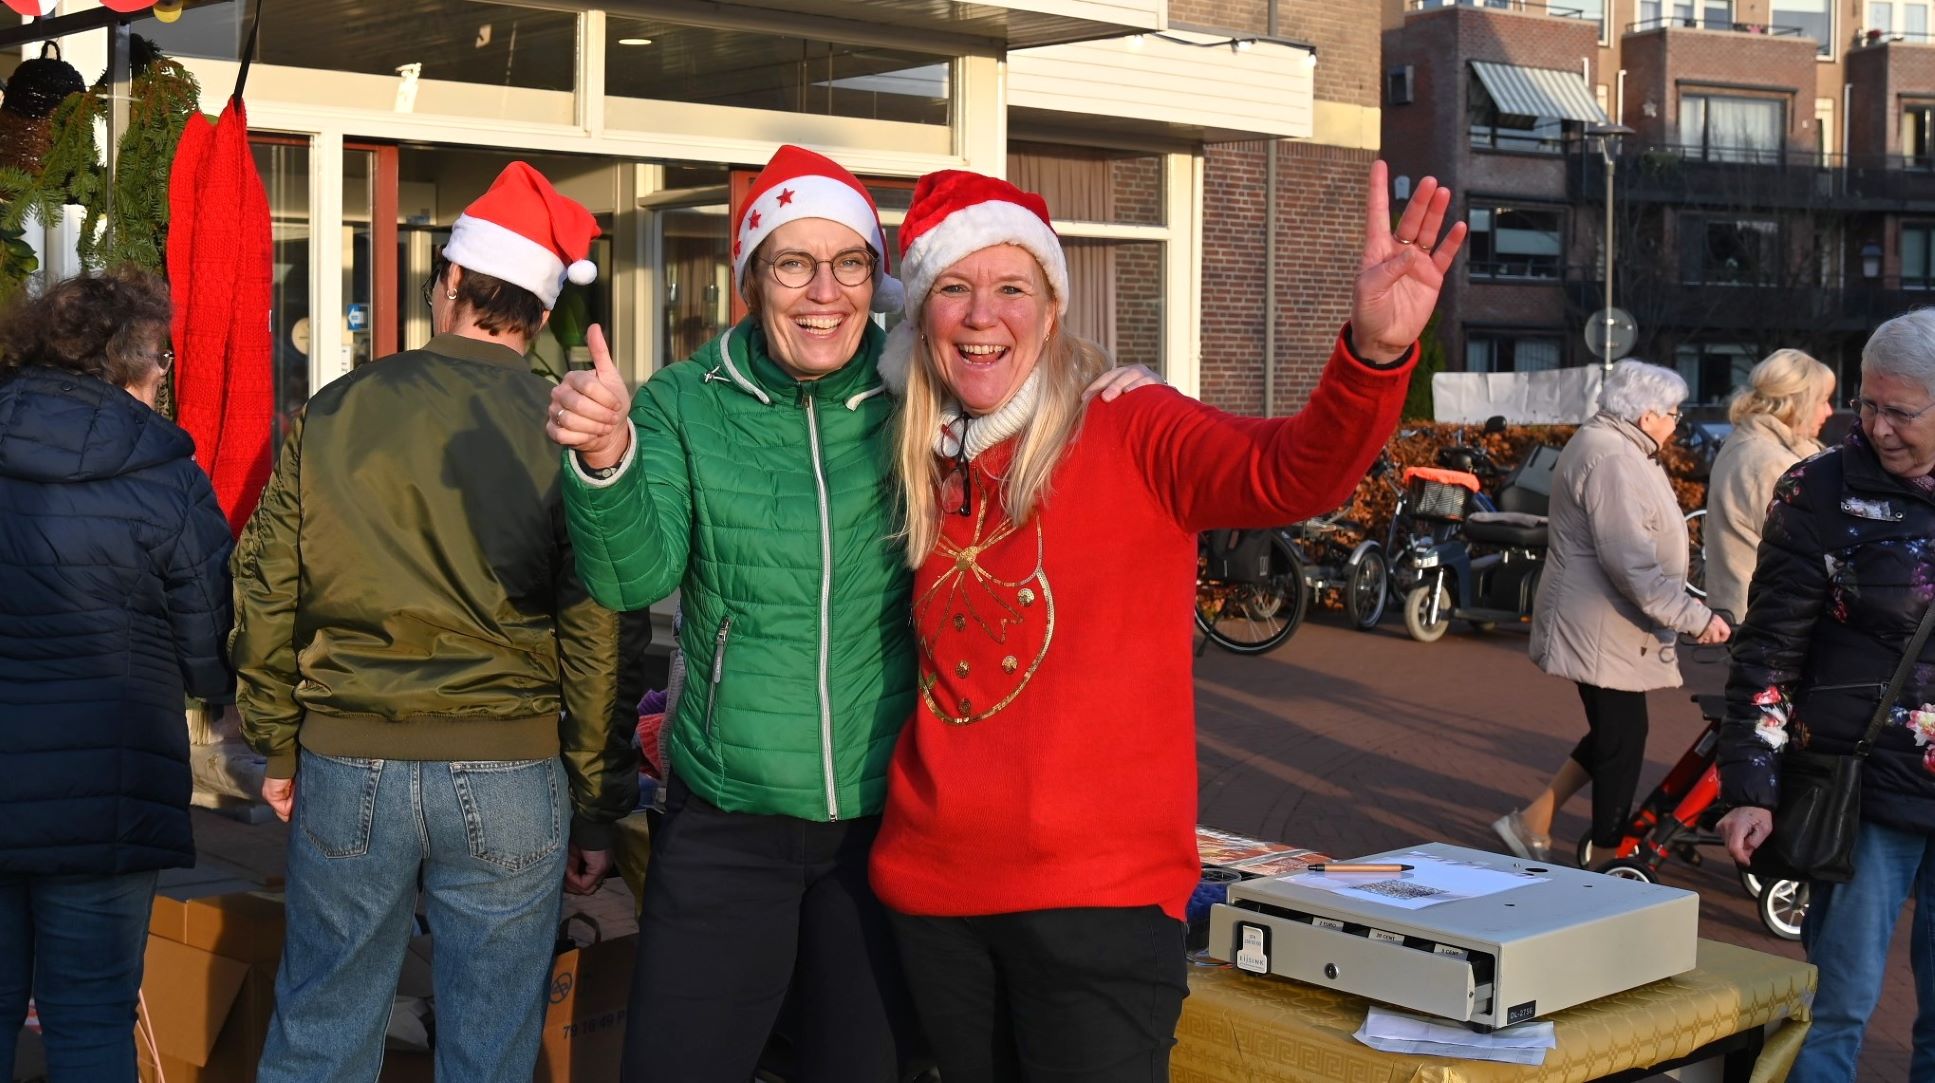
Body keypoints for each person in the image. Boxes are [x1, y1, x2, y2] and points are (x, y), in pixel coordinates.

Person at [547, 145, 1151, 1083]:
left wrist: (1113, 391)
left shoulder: (925, 388)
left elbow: (1026, 371)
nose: (823, 292)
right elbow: (634, 576)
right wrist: (605, 460)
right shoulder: (680, 402)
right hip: (727, 821)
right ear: (751, 278)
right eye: (793, 262)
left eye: (850, 264)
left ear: (879, 278)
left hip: (885, 826)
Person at [861, 162, 1462, 1082]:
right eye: (954, 287)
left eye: (1011, 287)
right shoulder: (916, 457)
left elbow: (1290, 473)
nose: (983, 314)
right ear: (923, 317)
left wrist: (1372, 358)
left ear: (1051, 309)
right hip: (933, 896)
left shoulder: (1130, 423)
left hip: (1096, 908)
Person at [230, 162, 646, 1083]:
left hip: (350, 754)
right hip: (511, 763)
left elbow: (264, 580)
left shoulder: (336, 410)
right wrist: (594, 801)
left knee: (321, 1027)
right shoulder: (563, 426)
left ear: (448, 281)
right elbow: (598, 627)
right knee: (491, 1045)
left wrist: (279, 743)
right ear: (540, 315)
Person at [0, 268, 234, 1083]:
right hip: (108, 786)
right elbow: (214, 643)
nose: (167, 372)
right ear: (127, 363)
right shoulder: (165, 477)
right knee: (92, 1015)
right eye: (161, 357)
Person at [1717, 309, 1935, 1081]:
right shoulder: (1819, 489)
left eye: (1899, 411)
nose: (1875, 427)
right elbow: (1768, 648)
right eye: (1868, 404)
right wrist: (1749, 784)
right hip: (1863, 789)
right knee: (1831, 1010)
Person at [1494, 360, 1730, 866]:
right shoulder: (1614, 459)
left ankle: (1535, 818)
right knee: (1623, 740)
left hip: (1602, 620)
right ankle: (1605, 858)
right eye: (1671, 413)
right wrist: (1694, 617)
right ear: (1646, 416)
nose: (1675, 422)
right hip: (1599, 622)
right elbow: (1631, 562)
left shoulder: (1612, 447)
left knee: (1614, 733)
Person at [1702, 348, 1835, 622]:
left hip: (1747, 609)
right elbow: (1813, 549)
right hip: (1769, 619)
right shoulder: (1770, 462)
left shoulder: (1746, 442)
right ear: (1798, 403)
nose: (1829, 411)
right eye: (1823, 400)